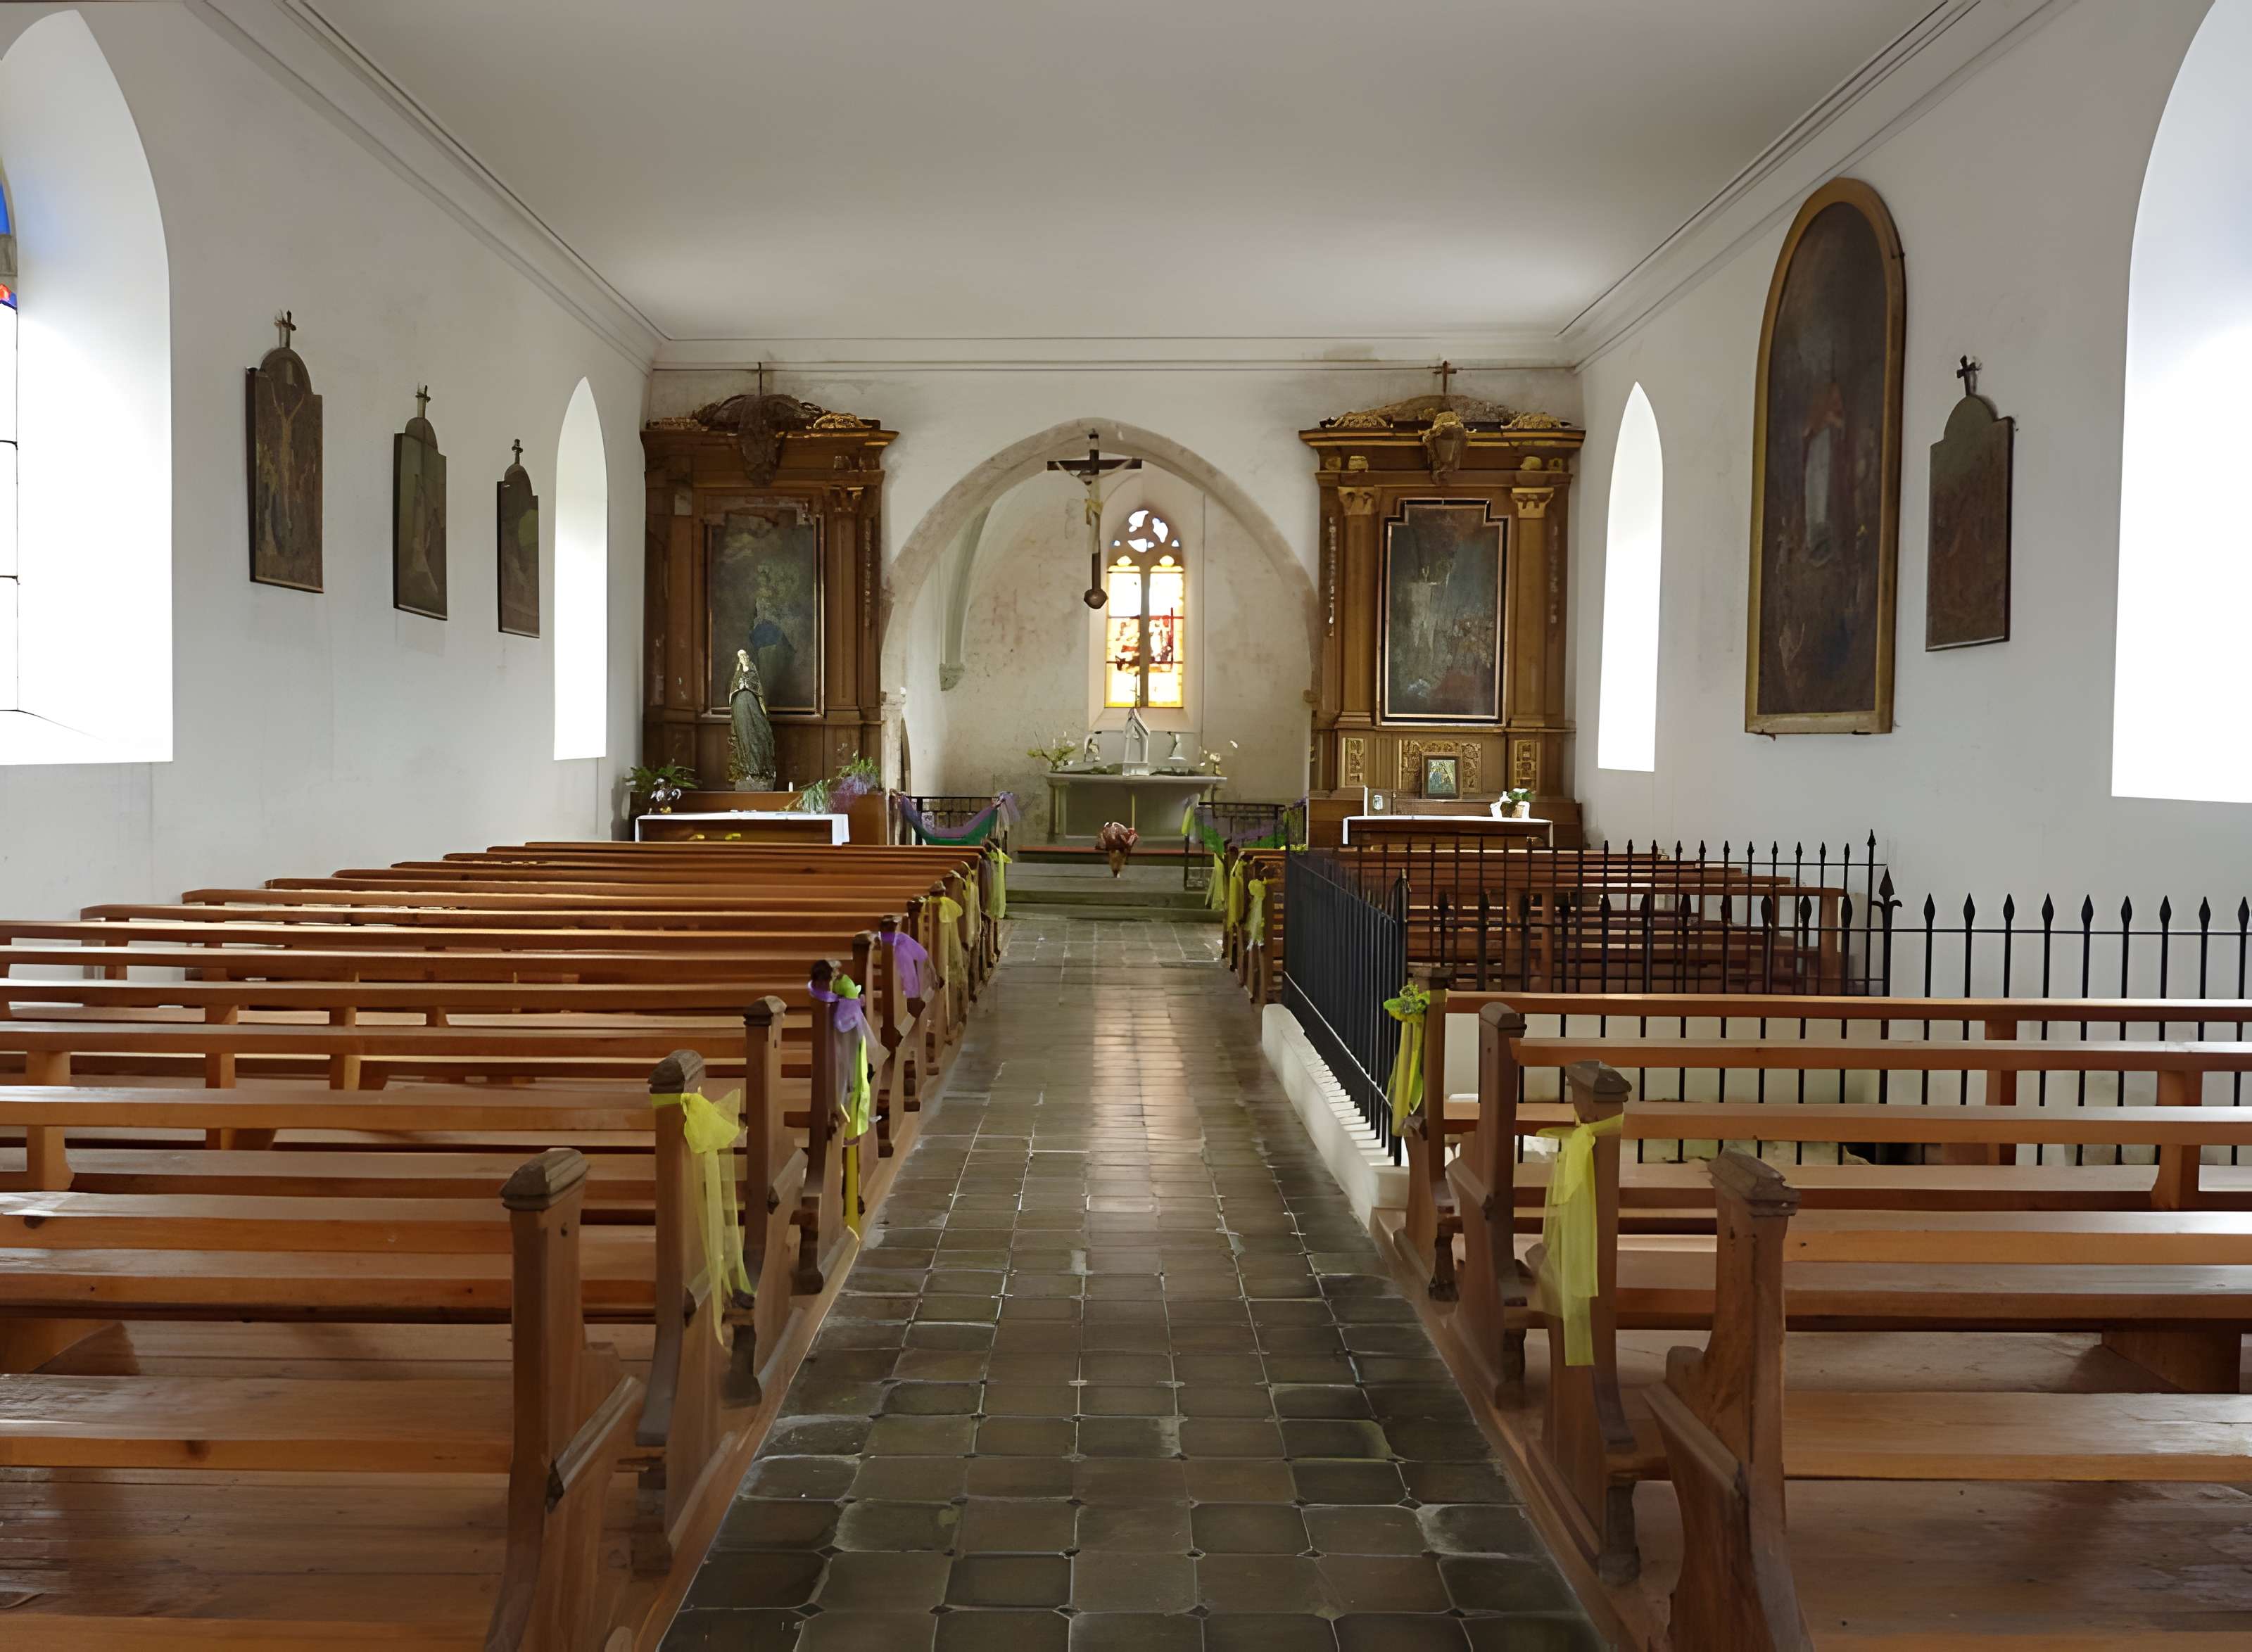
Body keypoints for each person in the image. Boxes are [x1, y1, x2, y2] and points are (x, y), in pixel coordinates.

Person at [728, 647, 777, 789]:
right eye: (740, 656)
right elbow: (733, 689)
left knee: (758, 737)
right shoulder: (737, 673)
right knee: (745, 740)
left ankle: (759, 771)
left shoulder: (752, 669)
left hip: (753, 710)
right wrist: (742, 675)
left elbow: (757, 687)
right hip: (741, 712)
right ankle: (749, 771)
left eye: (744, 656)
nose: (743, 658)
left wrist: (747, 669)